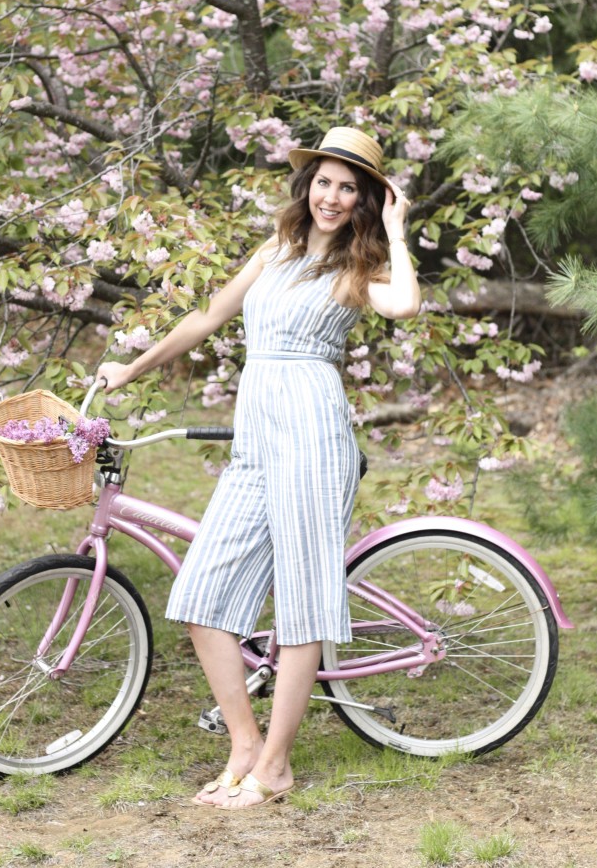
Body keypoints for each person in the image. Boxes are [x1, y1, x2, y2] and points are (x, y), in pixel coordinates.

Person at [98, 126, 421, 811]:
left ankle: (274, 765)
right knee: (201, 600)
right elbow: (208, 315)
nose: (332, 197)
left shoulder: (359, 268)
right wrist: (130, 368)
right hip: (257, 437)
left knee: (302, 603)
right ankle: (244, 744)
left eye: (350, 187)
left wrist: (396, 229)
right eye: (324, 182)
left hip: (312, 435)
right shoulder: (276, 250)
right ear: (308, 187)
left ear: (366, 200)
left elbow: (407, 305)